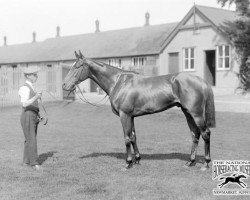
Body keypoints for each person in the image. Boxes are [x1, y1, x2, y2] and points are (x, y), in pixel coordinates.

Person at [18, 66, 44, 170]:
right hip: (27, 114)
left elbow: (33, 103)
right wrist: (36, 97)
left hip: (32, 114)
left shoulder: (31, 87)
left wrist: (38, 115)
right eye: (34, 74)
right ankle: (34, 163)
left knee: (29, 139)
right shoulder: (24, 88)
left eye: (36, 74)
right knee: (31, 139)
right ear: (28, 76)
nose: (36, 76)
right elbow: (24, 104)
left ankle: (26, 161)